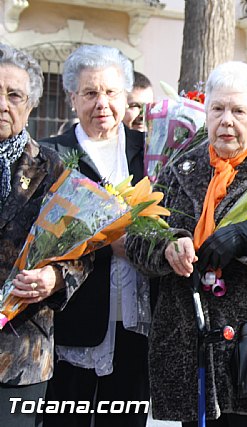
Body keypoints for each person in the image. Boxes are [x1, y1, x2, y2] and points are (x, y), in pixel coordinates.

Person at [125, 61, 247, 426]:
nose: (226, 121)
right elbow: (138, 236)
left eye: (238, 111)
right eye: (217, 109)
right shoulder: (180, 166)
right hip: (189, 353)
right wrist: (169, 245)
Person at [40, 44, 148, 427]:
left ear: (126, 97)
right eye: (90, 93)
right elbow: (45, 241)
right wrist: (108, 245)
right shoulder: (51, 157)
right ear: (72, 98)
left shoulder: (148, 151)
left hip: (137, 319)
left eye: (111, 92)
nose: (102, 103)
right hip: (76, 318)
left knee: (126, 419)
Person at [0, 43, 91, 427]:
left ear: (31, 104)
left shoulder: (55, 168)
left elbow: (82, 252)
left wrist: (54, 278)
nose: (2, 104)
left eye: (14, 95)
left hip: (21, 352)